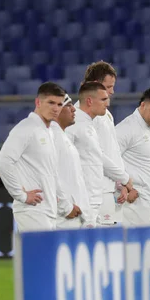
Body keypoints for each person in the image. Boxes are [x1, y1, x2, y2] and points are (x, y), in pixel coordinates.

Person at [0, 82, 77, 232]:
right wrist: (21, 195)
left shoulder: (49, 132)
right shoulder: (26, 128)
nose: (55, 108)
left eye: (59, 104)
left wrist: (64, 204)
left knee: (47, 255)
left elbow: (52, 173)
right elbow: (3, 162)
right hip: (32, 210)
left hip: (48, 211)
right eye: (51, 102)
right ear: (38, 102)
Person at [67, 81, 134, 223]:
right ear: (90, 101)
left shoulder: (89, 124)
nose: (108, 103)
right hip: (81, 199)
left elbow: (95, 158)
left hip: (93, 198)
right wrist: (123, 178)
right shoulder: (74, 123)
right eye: (103, 99)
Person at [81, 61, 136, 225]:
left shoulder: (106, 114)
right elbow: (96, 154)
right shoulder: (82, 116)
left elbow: (112, 152)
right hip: (97, 191)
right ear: (95, 85)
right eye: (108, 86)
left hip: (112, 190)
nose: (112, 91)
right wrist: (124, 178)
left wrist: (121, 184)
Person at [115, 87, 150, 226]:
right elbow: (108, 159)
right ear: (143, 105)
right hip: (137, 206)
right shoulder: (126, 128)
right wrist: (122, 187)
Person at [52, 94, 95, 229]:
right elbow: (48, 176)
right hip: (63, 219)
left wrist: (87, 216)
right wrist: (65, 206)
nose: (74, 109)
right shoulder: (50, 137)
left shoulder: (63, 137)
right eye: (68, 105)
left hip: (75, 217)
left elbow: (75, 180)